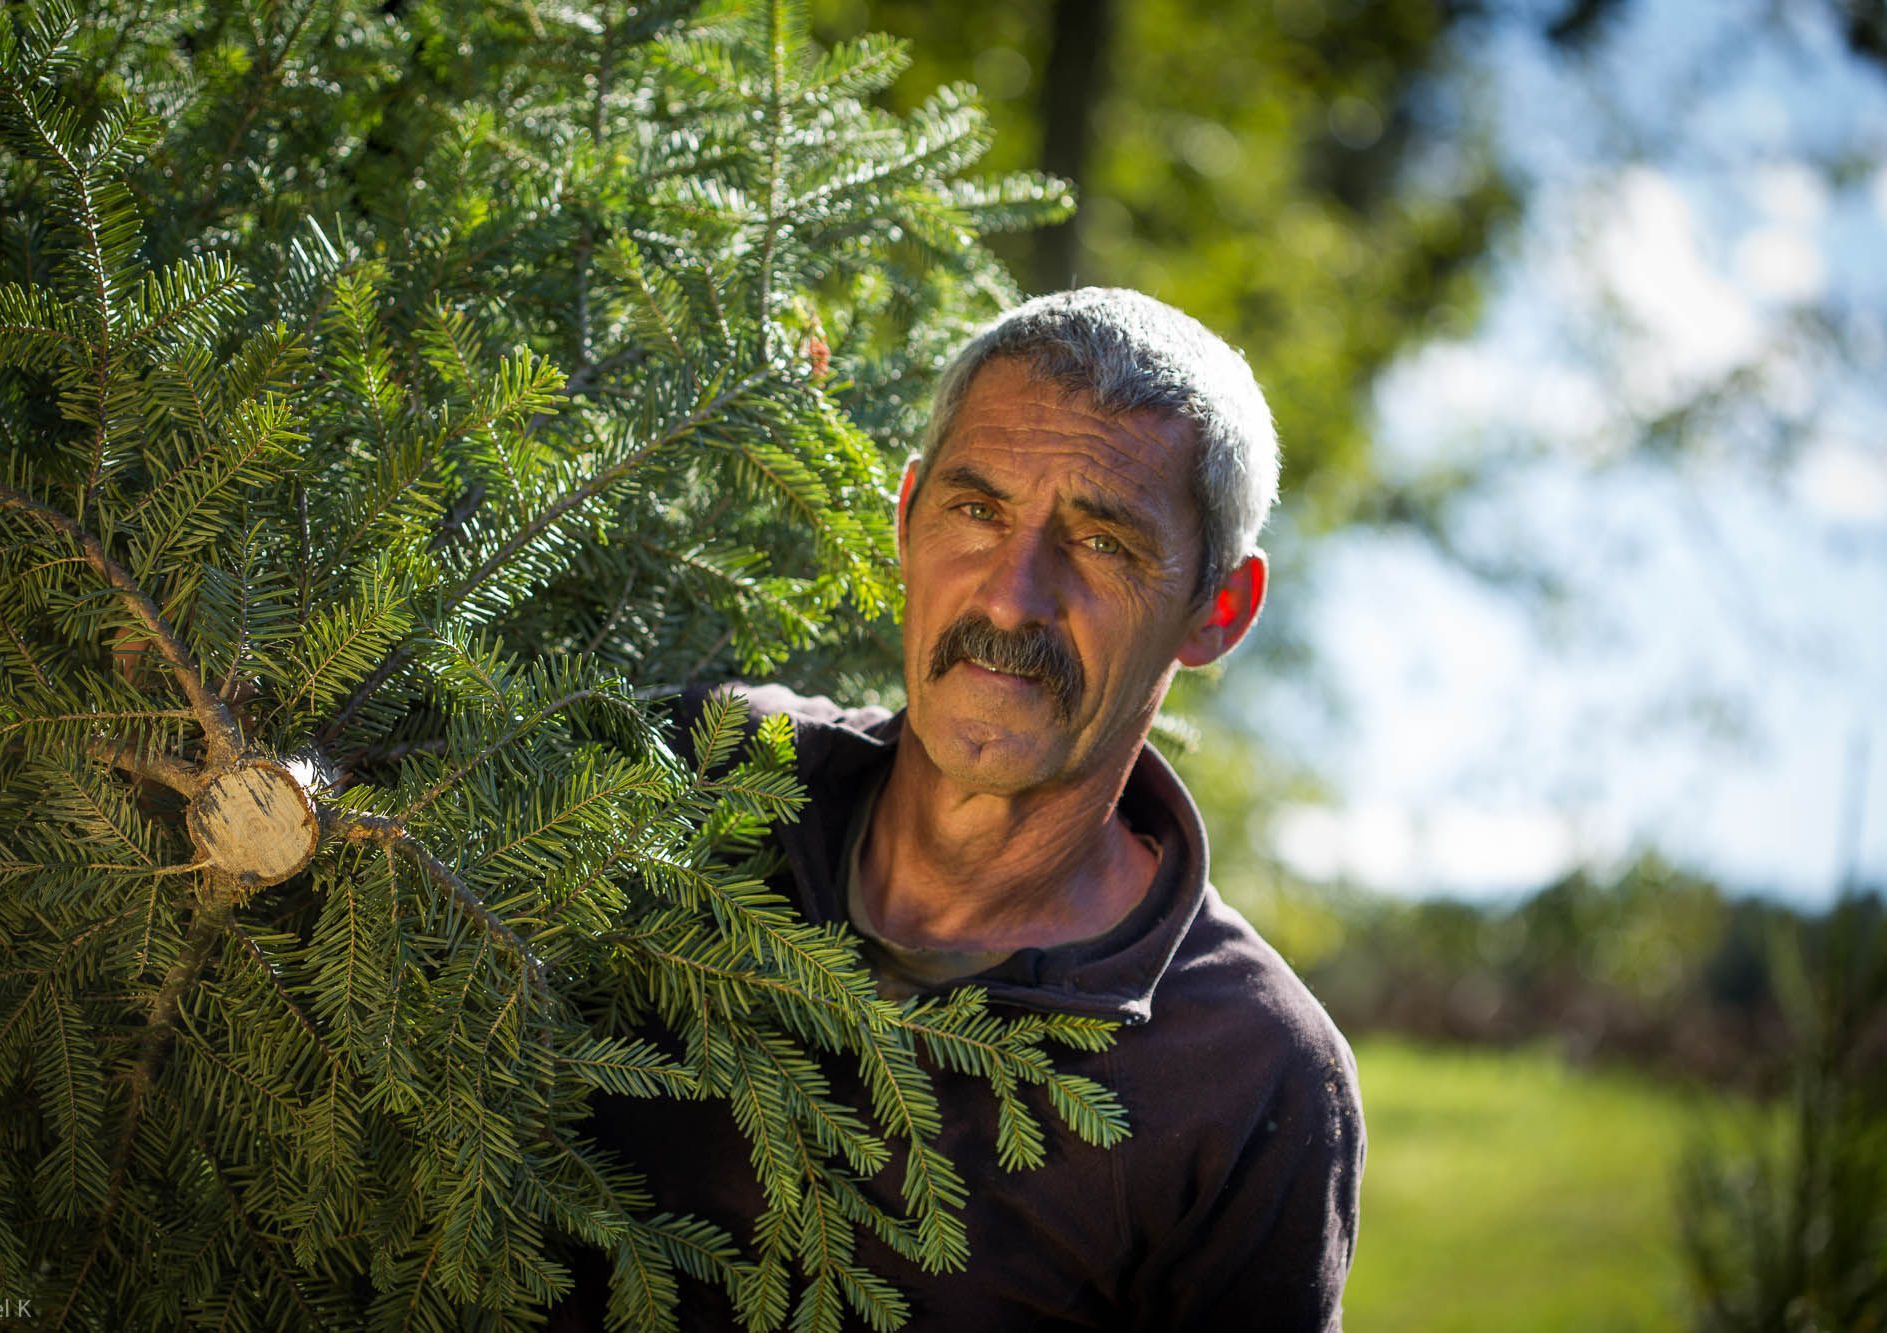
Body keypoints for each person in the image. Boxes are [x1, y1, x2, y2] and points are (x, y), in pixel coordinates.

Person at [565, 287, 1362, 1330]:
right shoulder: (697, 772)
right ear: (905, 518)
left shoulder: (1253, 1074)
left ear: (1215, 611)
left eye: (1102, 543)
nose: (1008, 596)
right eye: (976, 511)